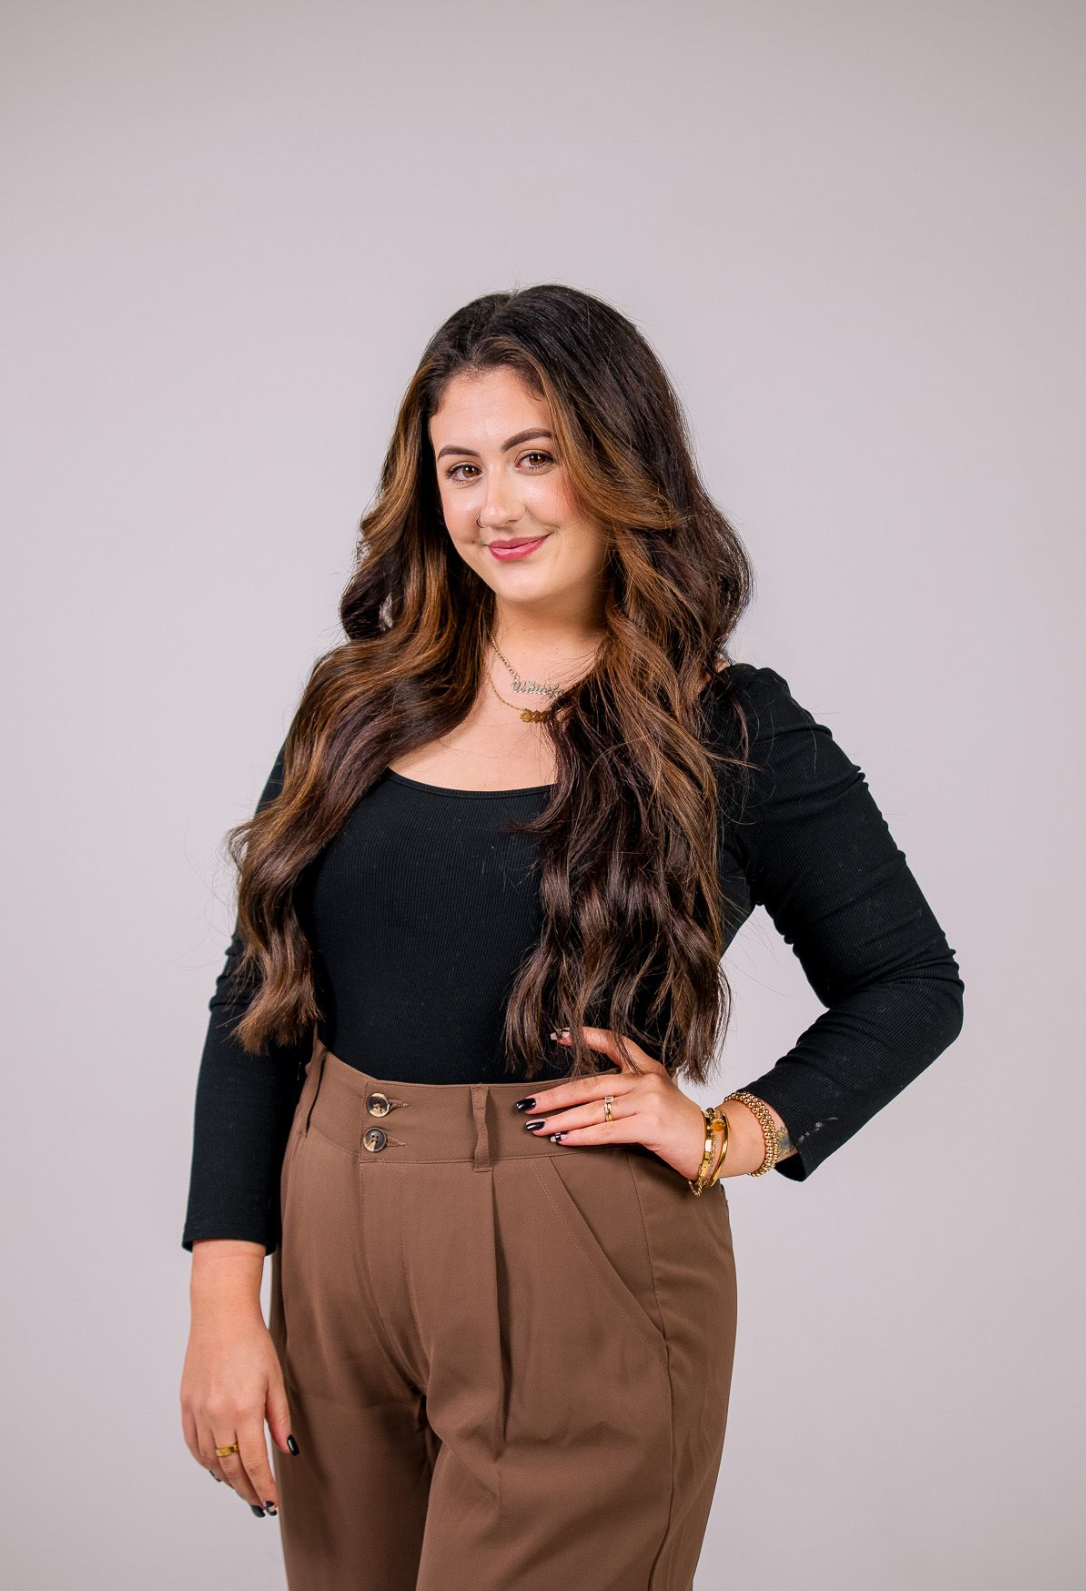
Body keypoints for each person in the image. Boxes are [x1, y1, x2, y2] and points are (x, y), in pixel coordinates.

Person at [179, 284, 965, 1591]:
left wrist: (732, 1134)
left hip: (578, 1256)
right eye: (462, 467)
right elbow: (254, 1000)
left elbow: (909, 980)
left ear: (619, 462)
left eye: (538, 457)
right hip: (333, 1246)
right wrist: (222, 1299)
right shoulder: (353, 709)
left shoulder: (729, 726)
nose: (499, 505)